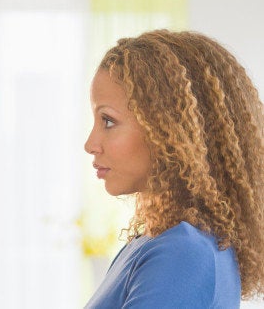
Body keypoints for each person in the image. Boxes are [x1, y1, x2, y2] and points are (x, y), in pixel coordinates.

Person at [84, 29, 264, 308]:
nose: (90, 144)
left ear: (169, 131)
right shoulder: (149, 244)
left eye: (108, 121)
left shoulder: (184, 252)